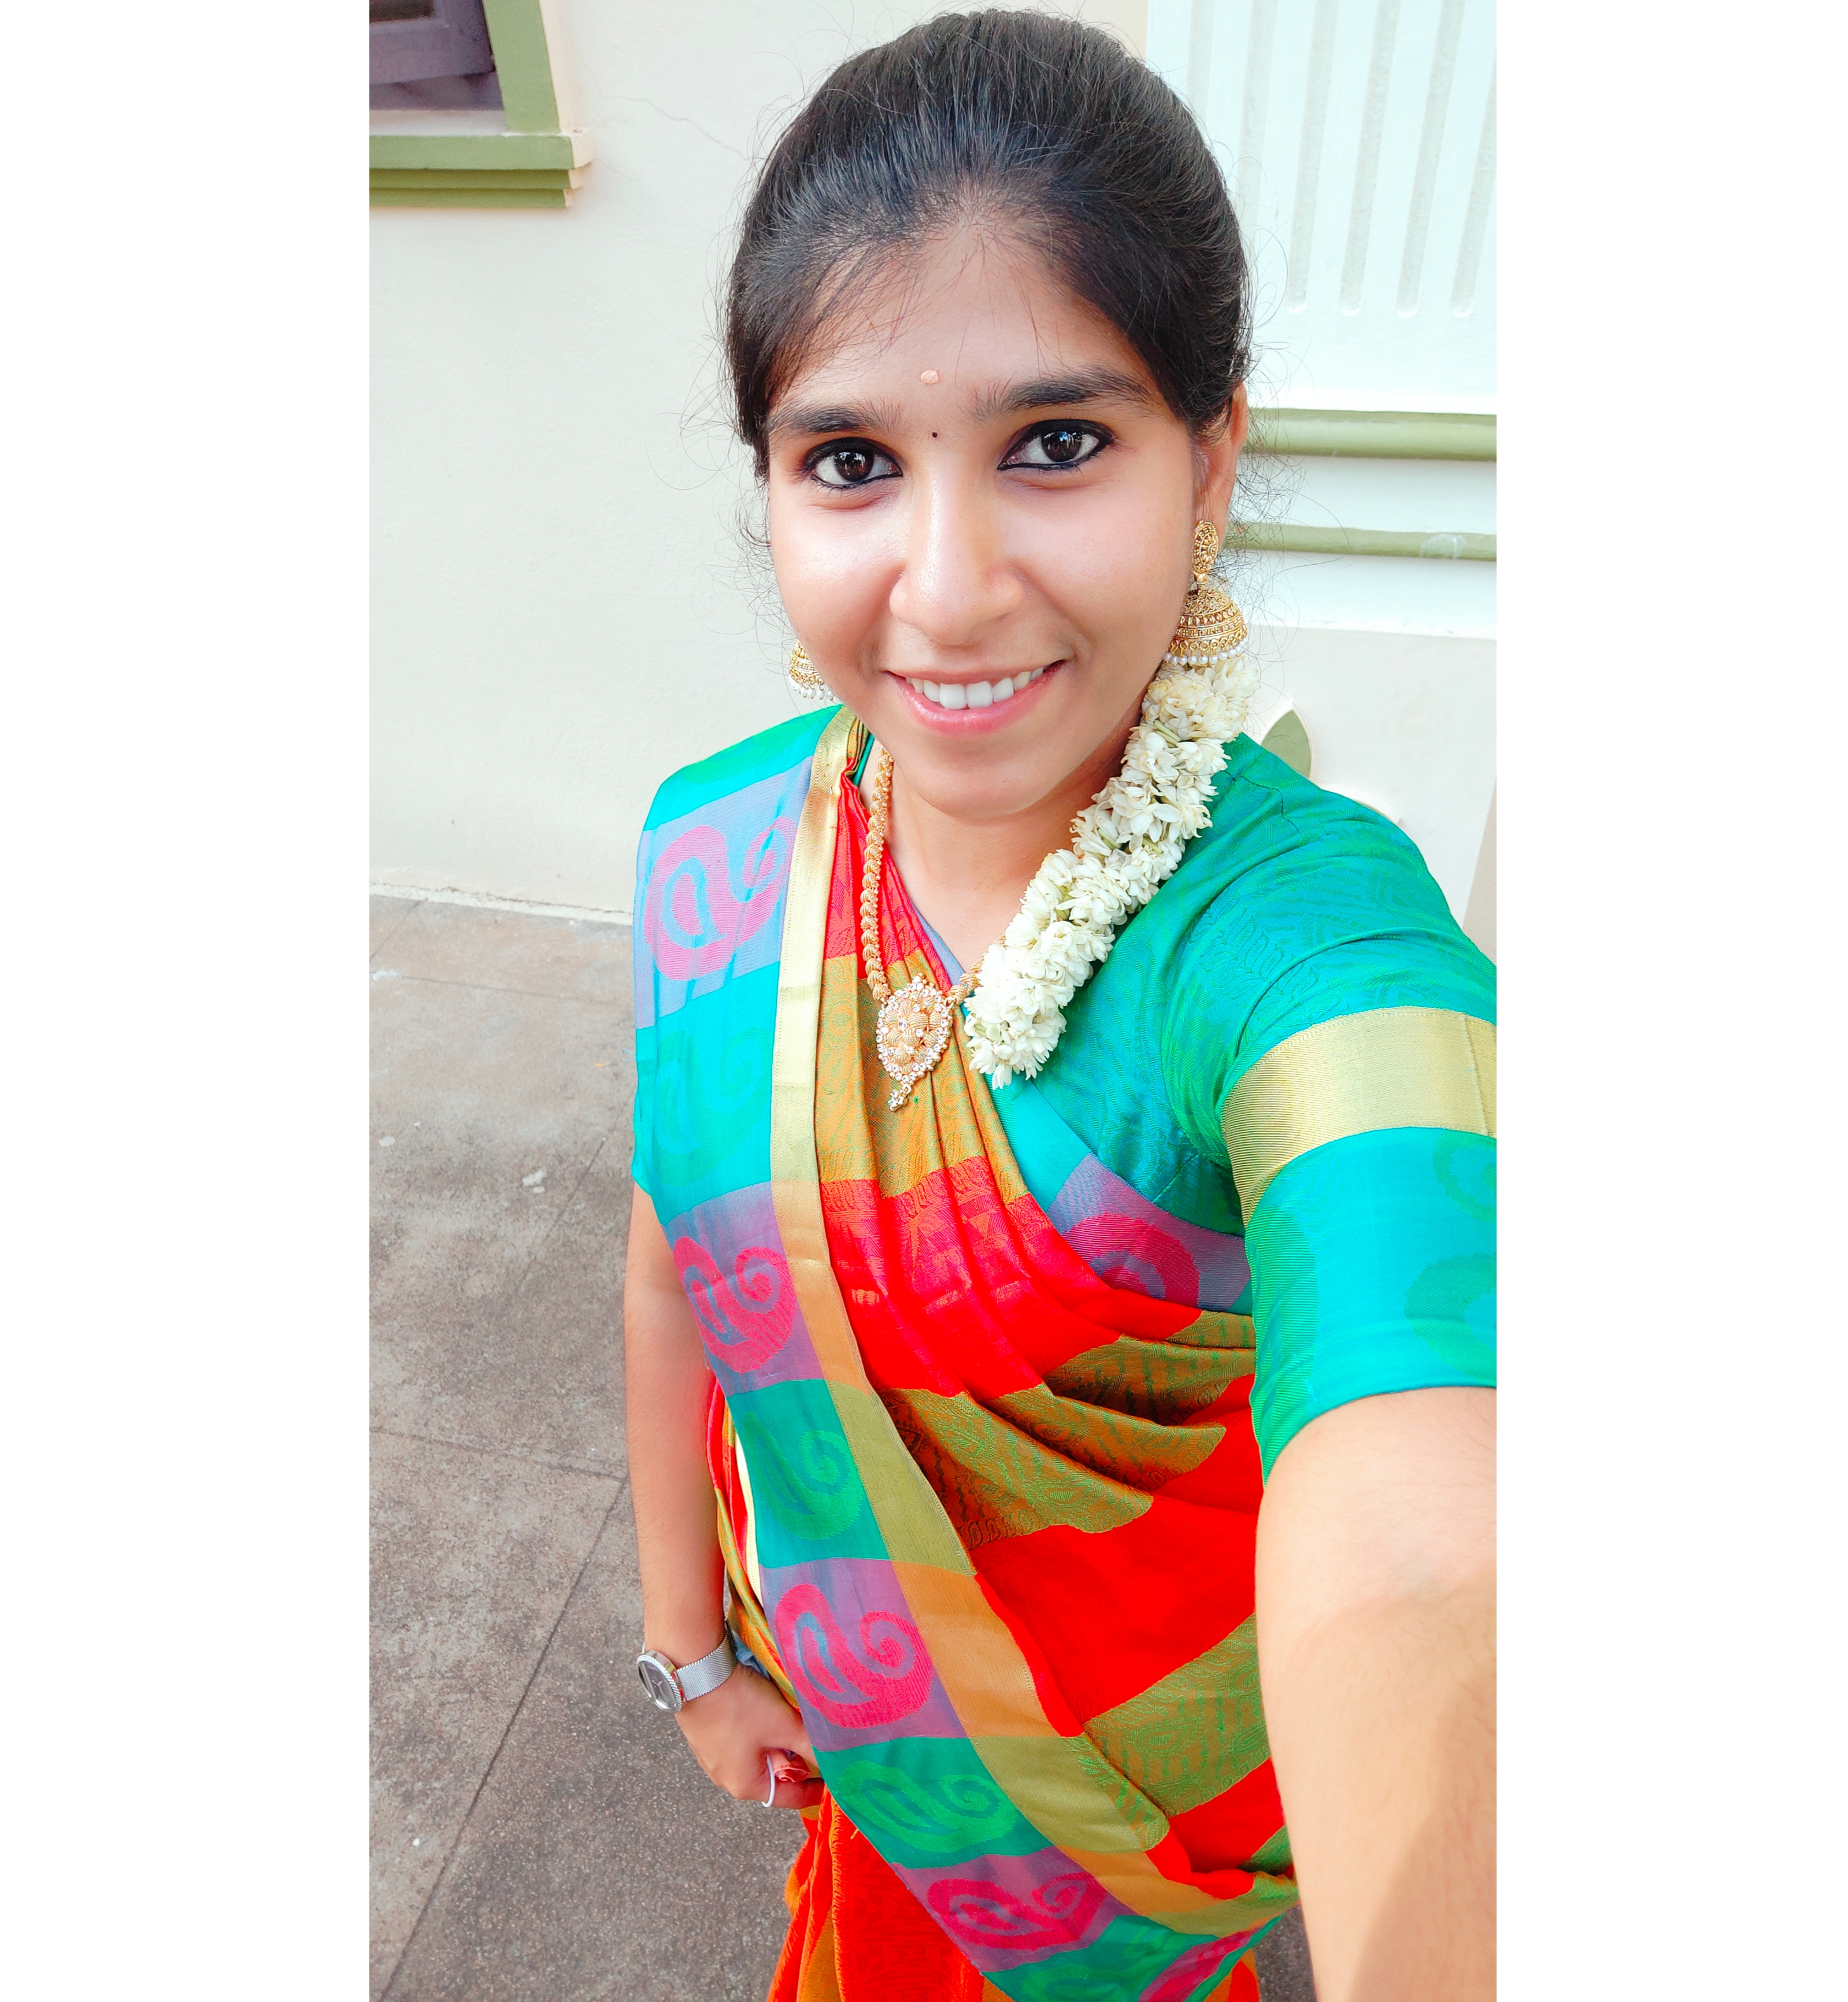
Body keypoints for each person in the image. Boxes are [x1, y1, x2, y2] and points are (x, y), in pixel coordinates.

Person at [622, 14, 1494, 2000]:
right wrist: (692, 1649)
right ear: (772, 486)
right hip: (849, 1749)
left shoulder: (1293, 939)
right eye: (854, 463)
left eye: (1057, 444)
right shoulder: (720, 858)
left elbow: (1434, 1513)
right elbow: (674, 1266)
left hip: (1122, 1863)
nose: (946, 591)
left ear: (1213, 461)